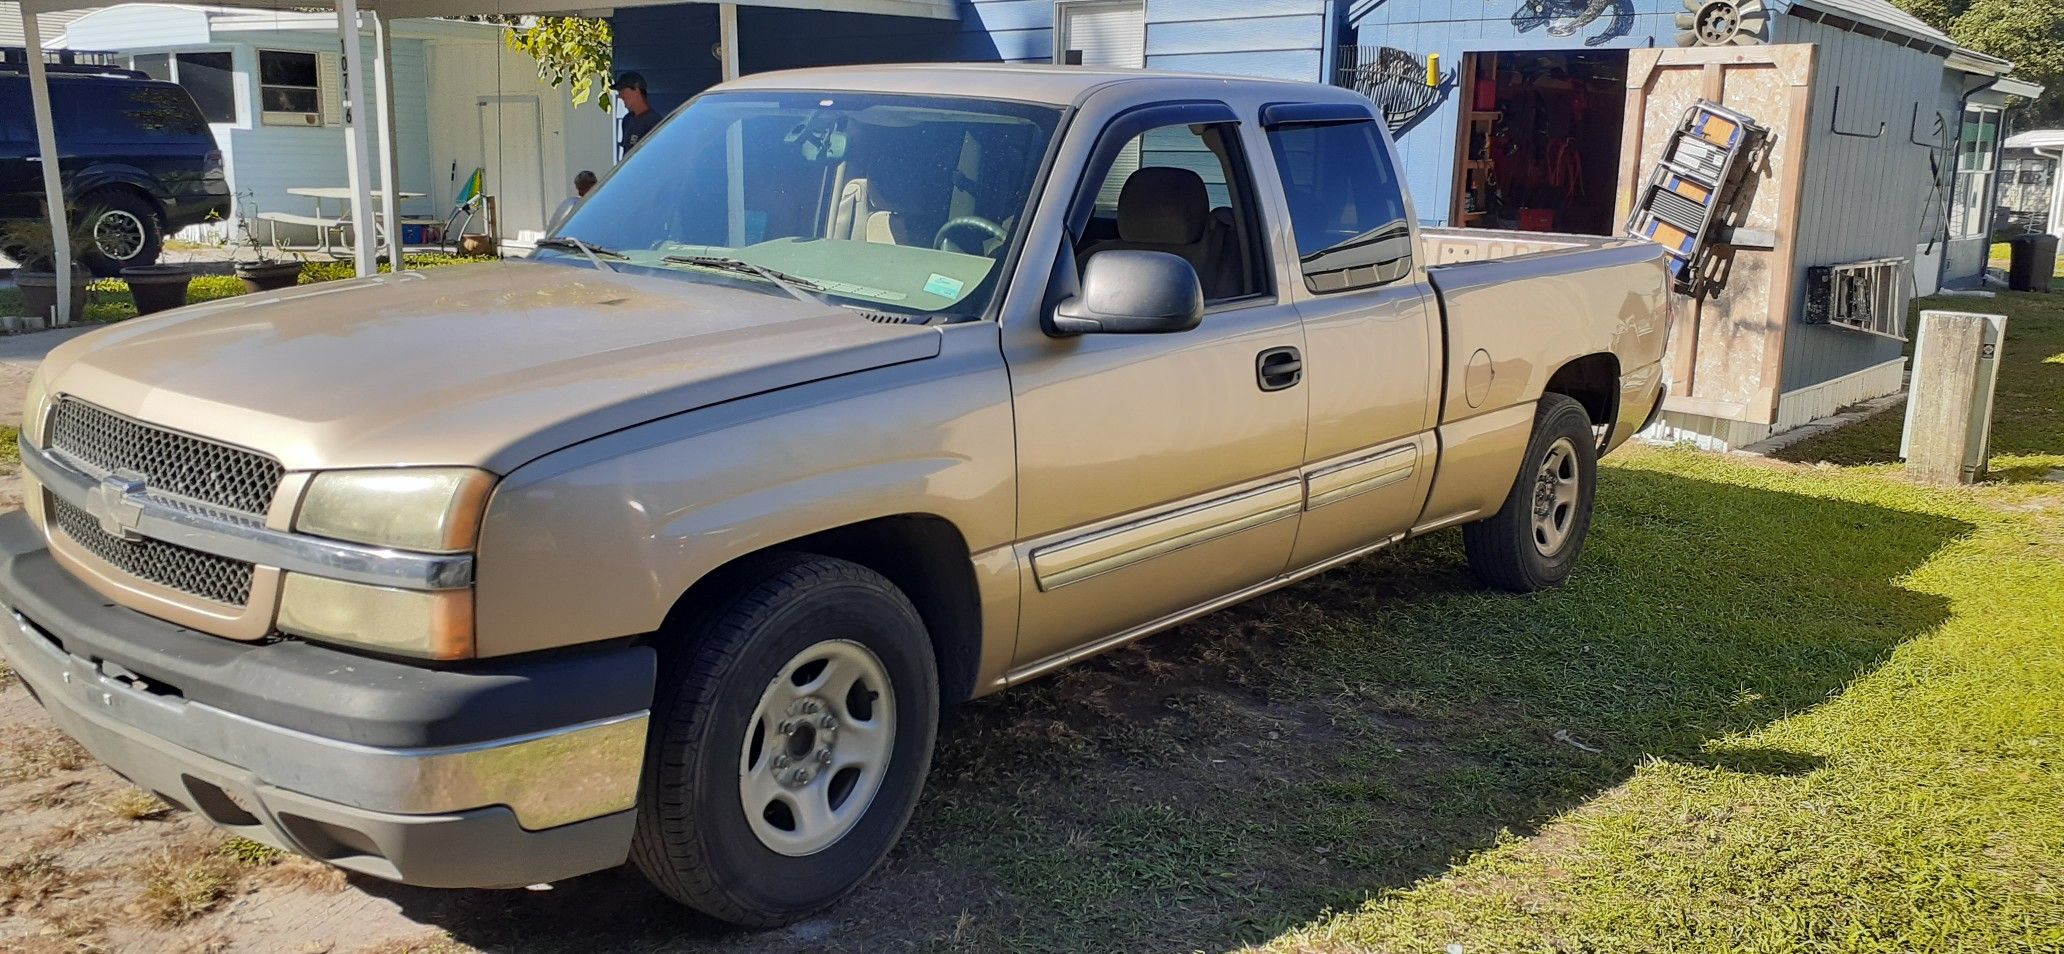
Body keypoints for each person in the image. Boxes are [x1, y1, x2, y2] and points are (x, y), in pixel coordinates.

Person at [614, 72, 660, 157]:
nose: (620, 96)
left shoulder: (654, 122)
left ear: (636, 89)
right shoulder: (627, 120)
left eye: (622, 90)